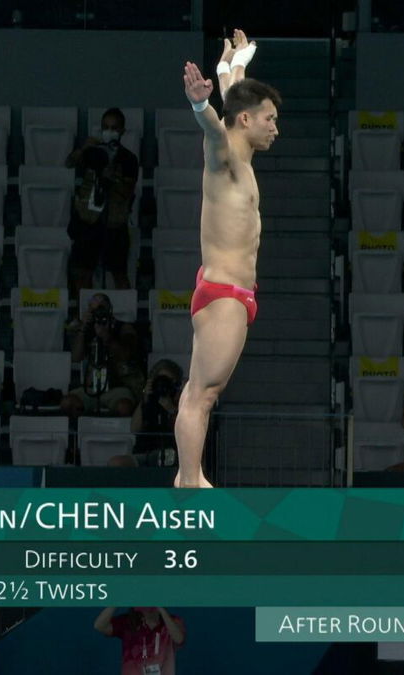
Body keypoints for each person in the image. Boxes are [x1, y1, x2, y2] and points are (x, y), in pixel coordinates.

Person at [175, 28, 279, 487]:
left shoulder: (243, 155)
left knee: (202, 393)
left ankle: (189, 478)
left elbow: (233, 99)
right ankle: (189, 482)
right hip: (223, 295)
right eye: (270, 119)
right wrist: (201, 106)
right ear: (245, 122)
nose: (275, 127)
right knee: (201, 395)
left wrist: (233, 64)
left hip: (231, 293)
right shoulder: (225, 159)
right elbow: (217, 126)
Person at [66, 108, 140, 294]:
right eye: (105, 127)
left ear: (122, 130)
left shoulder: (128, 159)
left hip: (114, 223)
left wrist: (112, 177)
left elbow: (127, 191)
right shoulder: (92, 153)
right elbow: (69, 163)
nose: (109, 131)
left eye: (114, 128)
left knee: (119, 274)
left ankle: (124, 320)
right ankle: (86, 315)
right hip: (88, 221)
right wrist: (85, 148)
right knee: (81, 272)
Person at [61, 293, 145, 417]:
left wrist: (106, 336)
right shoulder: (87, 329)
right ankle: (83, 432)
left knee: (124, 407)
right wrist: (83, 327)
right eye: (94, 308)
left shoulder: (123, 328)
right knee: (67, 403)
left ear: (109, 309)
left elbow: (126, 355)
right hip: (91, 387)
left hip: (117, 387)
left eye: (101, 307)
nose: (98, 312)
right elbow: (76, 357)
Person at [108, 359, 183, 467]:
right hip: (145, 454)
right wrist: (145, 399)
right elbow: (134, 429)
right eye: (161, 380)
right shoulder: (148, 400)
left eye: (168, 380)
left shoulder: (179, 402)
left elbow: (184, 431)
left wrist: (171, 409)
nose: (163, 384)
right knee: (115, 462)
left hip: (170, 454)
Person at [94, 606, 186, 675]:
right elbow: (99, 626)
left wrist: (162, 610)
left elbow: (179, 639)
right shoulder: (128, 622)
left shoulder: (172, 622)